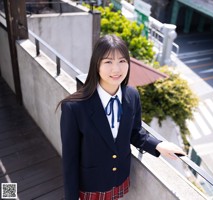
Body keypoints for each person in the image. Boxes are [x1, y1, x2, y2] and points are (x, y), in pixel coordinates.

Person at [58, 34, 186, 200]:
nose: (116, 69)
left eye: (122, 61)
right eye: (108, 62)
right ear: (97, 64)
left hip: (119, 177)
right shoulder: (74, 107)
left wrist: (159, 145)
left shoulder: (132, 95)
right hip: (91, 183)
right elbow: (70, 160)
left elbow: (135, 132)